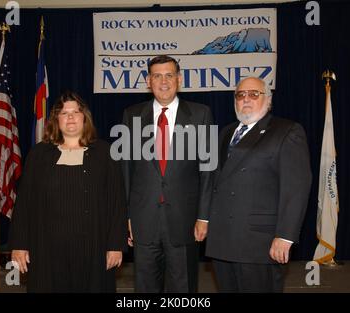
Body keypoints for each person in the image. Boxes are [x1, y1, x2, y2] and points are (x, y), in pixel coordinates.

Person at [9, 91, 127, 292]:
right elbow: (24, 203)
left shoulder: (106, 153)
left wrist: (116, 245)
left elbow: (117, 202)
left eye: (75, 112)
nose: (70, 117)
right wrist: (19, 244)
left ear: (84, 117)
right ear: (56, 119)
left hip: (93, 247)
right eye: (64, 113)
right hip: (46, 247)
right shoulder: (39, 154)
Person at [205, 77, 312, 293]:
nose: (246, 99)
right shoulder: (226, 132)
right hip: (223, 240)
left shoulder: (287, 131)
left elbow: (296, 188)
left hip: (259, 243)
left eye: (254, 94)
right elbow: (215, 182)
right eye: (240, 95)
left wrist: (285, 236)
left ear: (268, 100)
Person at [122, 55, 213, 292]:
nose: (163, 81)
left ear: (179, 79)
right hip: (143, 221)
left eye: (169, 75)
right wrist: (127, 216)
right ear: (148, 81)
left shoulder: (201, 114)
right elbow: (126, 170)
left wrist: (204, 216)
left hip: (185, 220)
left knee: (183, 288)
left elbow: (208, 168)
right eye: (157, 75)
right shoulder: (131, 115)